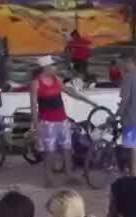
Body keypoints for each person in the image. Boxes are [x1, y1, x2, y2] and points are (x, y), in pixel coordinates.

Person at [28, 55, 96, 186]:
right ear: (46, 68)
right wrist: (35, 125)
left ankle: (69, 175)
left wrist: (88, 101)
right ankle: (48, 178)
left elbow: (71, 92)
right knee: (50, 151)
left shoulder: (57, 80)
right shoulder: (36, 83)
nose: (55, 68)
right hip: (47, 122)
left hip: (62, 120)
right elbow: (33, 106)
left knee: (67, 148)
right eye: (53, 66)